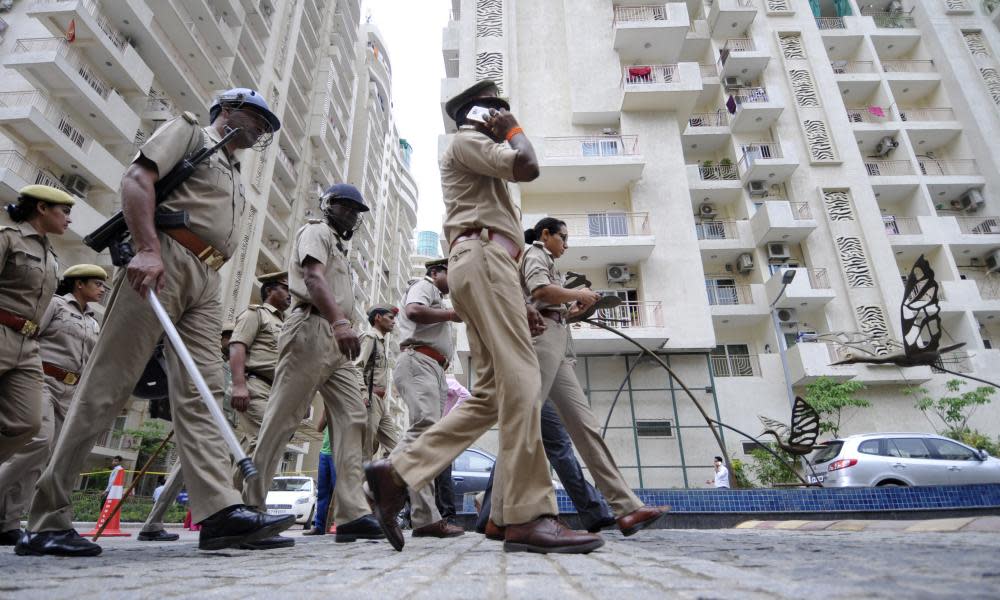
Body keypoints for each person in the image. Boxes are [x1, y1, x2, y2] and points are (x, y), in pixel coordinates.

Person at [17, 88, 295, 557]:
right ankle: (48, 517)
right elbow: (137, 179)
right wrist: (146, 248)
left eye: (267, 127)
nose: (262, 131)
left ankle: (218, 513)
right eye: (258, 119)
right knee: (107, 384)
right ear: (227, 110)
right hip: (162, 257)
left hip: (207, 278)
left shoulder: (234, 170)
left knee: (205, 392)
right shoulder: (190, 132)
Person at [365, 80, 603, 554]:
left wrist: (519, 302)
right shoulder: (469, 141)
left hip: (485, 266)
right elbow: (527, 165)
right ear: (477, 114)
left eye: (505, 112)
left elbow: (503, 237)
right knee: (523, 380)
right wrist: (512, 129)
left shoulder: (474, 160)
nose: (502, 116)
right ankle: (528, 516)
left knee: (495, 393)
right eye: (495, 109)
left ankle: (398, 473)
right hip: (483, 260)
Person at [486, 217, 664, 536]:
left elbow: (546, 300)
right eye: (563, 238)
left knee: (584, 425)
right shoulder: (536, 253)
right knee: (522, 428)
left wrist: (574, 308)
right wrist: (576, 293)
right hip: (540, 341)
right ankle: (498, 518)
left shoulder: (546, 258)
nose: (566, 245)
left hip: (555, 339)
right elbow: (540, 291)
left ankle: (626, 508)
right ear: (545, 234)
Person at [242, 183, 385, 546]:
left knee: (353, 416)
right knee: (282, 419)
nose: (351, 214)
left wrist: (342, 326)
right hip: (311, 327)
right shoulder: (316, 231)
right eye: (344, 206)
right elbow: (312, 277)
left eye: (356, 210)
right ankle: (249, 508)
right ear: (327, 205)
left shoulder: (340, 244)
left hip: (338, 341)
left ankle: (352, 513)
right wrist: (339, 321)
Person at [0, 262, 105, 546]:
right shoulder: (56, 306)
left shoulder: (93, 321)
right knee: (39, 441)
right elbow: (29, 336)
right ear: (79, 284)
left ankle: (8, 522)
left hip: (71, 390)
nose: (102, 289)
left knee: (43, 459)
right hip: (42, 378)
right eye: (97, 283)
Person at [388, 258, 463, 539]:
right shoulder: (424, 285)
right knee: (426, 429)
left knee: (426, 441)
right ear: (436, 272)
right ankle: (375, 486)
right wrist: (451, 315)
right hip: (419, 360)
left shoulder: (438, 299)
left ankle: (425, 518)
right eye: (451, 272)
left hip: (432, 368)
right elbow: (414, 310)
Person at [139, 325, 236, 543]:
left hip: (221, 426)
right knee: (185, 471)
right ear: (222, 339)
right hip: (202, 425)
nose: (232, 343)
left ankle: (153, 523)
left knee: (184, 472)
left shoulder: (227, 365)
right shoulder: (204, 359)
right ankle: (217, 522)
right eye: (229, 338)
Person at [0, 185, 73, 468]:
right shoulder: (9, 238)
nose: (69, 219)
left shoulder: (51, 256)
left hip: (29, 345)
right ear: (42, 208)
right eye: (64, 212)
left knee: (27, 423)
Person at [229, 271, 290, 482]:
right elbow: (238, 346)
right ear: (270, 290)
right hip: (255, 386)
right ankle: (244, 504)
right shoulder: (255, 314)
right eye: (285, 288)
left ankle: (231, 504)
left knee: (254, 447)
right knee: (266, 442)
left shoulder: (286, 324)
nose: (290, 294)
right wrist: (239, 385)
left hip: (277, 392)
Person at [358, 304, 401, 463]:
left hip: (380, 403)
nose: (394, 322)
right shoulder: (370, 338)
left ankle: (378, 484)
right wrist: (363, 394)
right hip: (370, 400)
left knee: (397, 450)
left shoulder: (382, 343)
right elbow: (357, 367)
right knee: (365, 452)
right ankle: (358, 488)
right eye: (390, 317)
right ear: (378, 318)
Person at [433, 375, 471, 520]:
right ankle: (440, 516)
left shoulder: (446, 381)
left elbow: (466, 395)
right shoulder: (435, 383)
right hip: (436, 432)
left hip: (443, 432)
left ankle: (448, 515)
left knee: (442, 476)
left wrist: (448, 416)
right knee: (436, 477)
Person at [303, 411, 336, 536]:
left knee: (338, 492)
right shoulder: (328, 408)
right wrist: (326, 411)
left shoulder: (345, 404)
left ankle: (341, 525)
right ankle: (319, 527)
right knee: (322, 493)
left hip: (338, 452)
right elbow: (319, 428)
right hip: (324, 453)